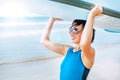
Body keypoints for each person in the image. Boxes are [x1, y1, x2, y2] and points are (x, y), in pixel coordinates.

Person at [40, 5, 102, 80]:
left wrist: (92, 15)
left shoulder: (88, 54)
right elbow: (44, 41)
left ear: (85, 31)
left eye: (75, 30)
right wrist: (52, 19)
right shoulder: (67, 50)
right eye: (70, 29)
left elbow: (84, 44)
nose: (71, 33)